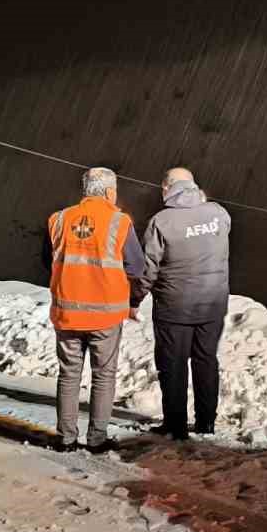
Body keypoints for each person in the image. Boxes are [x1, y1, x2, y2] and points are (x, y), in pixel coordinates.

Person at [42, 166, 146, 454]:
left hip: (67, 312)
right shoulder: (119, 221)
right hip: (105, 315)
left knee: (68, 374)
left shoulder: (59, 219)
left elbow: (46, 260)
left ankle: (65, 439)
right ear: (111, 192)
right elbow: (136, 266)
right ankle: (97, 439)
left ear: (85, 190)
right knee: (103, 375)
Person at [139, 166, 232, 439]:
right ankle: (206, 422)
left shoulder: (162, 222)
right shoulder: (219, 213)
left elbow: (148, 268)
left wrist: (135, 298)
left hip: (174, 307)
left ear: (167, 189)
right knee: (206, 361)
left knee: (173, 365)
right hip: (212, 305)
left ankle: (176, 425)